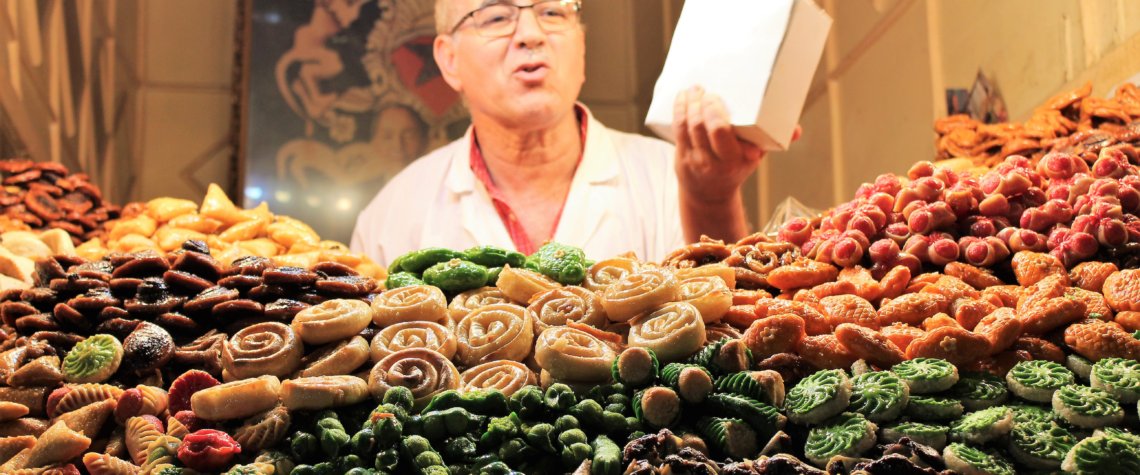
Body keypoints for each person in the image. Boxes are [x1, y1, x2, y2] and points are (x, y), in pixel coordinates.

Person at [351, 0, 798, 265]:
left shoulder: (665, 175)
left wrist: (712, 199)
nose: (530, 34)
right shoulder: (391, 217)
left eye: (552, 11)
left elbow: (737, 335)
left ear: (581, 46)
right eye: (495, 17)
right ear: (449, 60)